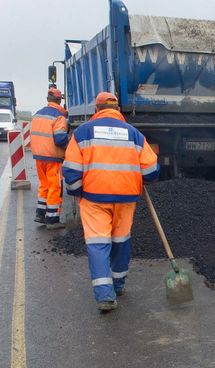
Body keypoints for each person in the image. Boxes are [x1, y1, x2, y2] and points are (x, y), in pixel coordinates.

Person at [62, 92, 159, 312]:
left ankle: (105, 295)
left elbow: (71, 170)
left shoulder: (83, 133)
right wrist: (143, 179)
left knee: (98, 244)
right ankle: (118, 284)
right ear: (118, 111)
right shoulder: (134, 135)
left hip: (94, 198)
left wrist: (77, 192)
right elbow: (152, 169)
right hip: (126, 198)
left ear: (96, 110)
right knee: (121, 240)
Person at [31, 87, 70, 229]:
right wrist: (70, 145)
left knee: (44, 184)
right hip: (53, 156)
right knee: (55, 187)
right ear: (60, 100)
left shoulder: (37, 114)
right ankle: (53, 220)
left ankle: (40, 214)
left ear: (48, 99)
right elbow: (60, 138)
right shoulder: (59, 116)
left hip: (39, 155)